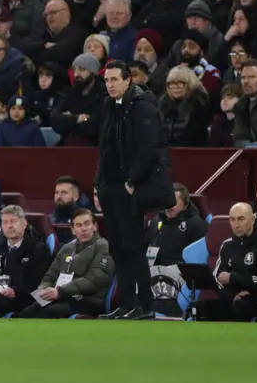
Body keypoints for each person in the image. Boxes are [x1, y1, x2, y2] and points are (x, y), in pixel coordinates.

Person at [94, 60, 175, 320]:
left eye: (115, 79)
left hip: (130, 187)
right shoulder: (109, 105)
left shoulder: (142, 107)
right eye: (107, 80)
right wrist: (98, 184)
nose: (110, 85)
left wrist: (131, 180)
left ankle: (145, 305)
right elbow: (104, 149)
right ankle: (126, 303)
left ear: (128, 80)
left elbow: (149, 148)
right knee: (117, 247)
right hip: (110, 186)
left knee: (133, 246)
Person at [18, 208, 115, 319]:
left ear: (94, 226)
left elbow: (95, 279)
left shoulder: (103, 246)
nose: (83, 229)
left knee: (48, 313)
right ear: (73, 230)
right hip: (62, 297)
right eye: (78, 225)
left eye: (87, 224)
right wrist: (45, 289)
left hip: (87, 301)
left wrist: (60, 291)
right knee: (25, 314)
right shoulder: (67, 248)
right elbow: (51, 275)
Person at [212, 202, 257, 322]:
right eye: (232, 220)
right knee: (199, 308)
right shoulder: (227, 245)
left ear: (252, 219)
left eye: (241, 219)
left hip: (255, 298)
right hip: (230, 296)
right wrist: (231, 296)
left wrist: (233, 278)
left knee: (241, 306)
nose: (236, 224)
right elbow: (216, 277)